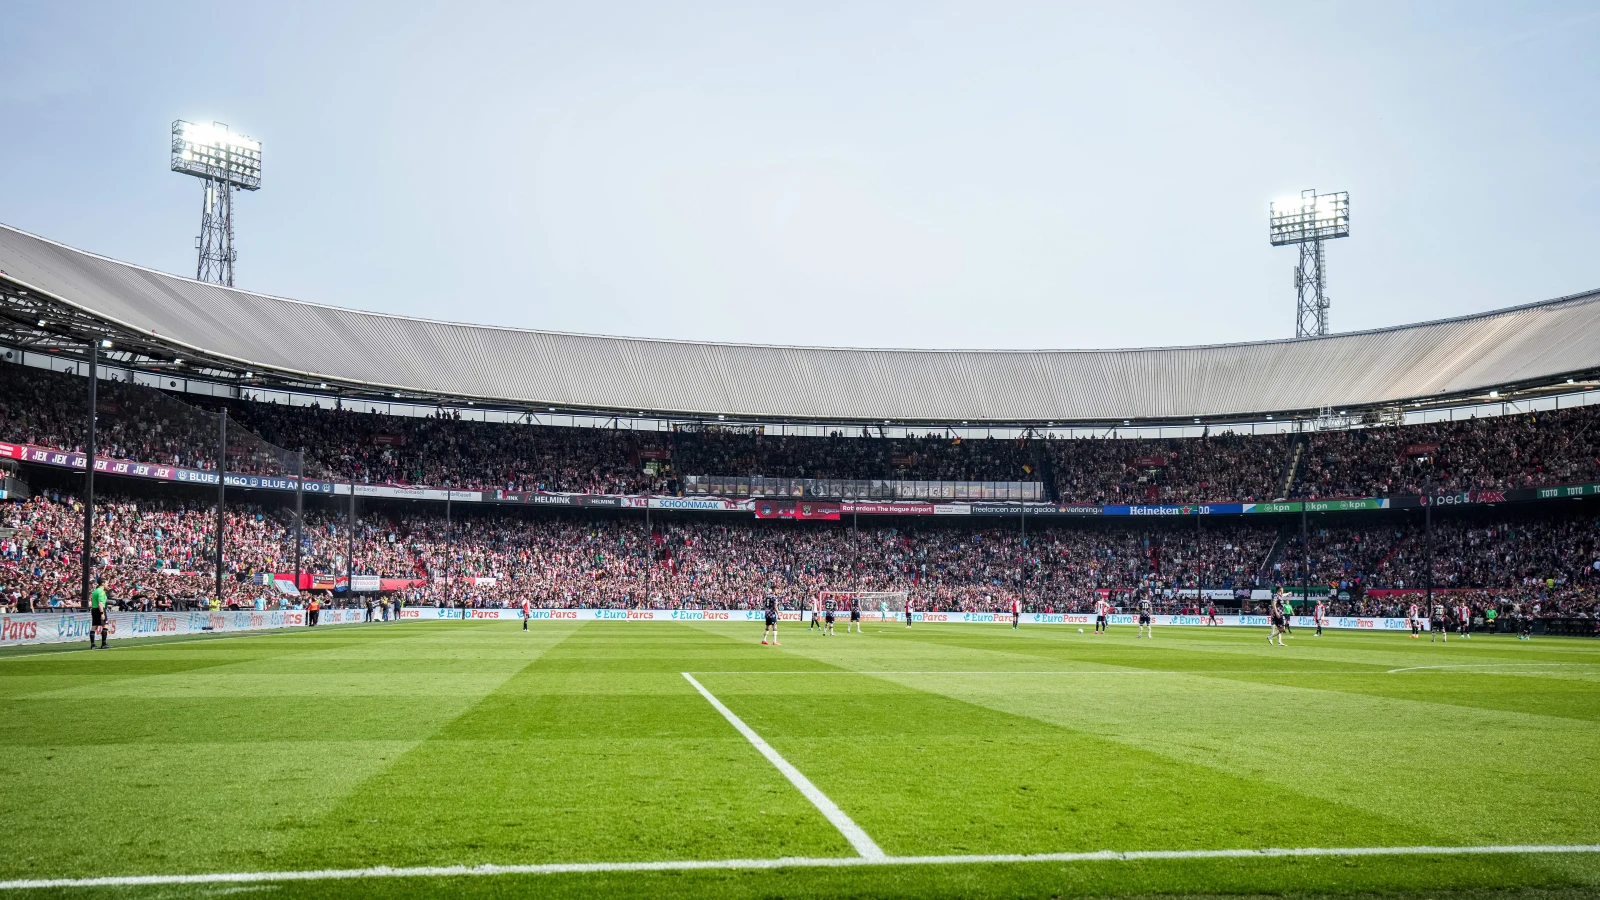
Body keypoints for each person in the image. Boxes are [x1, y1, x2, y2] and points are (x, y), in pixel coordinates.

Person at [88, 578, 109, 650]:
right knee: (105, 625)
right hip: (100, 609)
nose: (107, 584)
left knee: (94, 626)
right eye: (106, 583)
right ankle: (104, 643)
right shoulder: (101, 592)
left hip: (94, 609)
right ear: (103, 583)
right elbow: (100, 603)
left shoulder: (95, 591)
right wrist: (102, 613)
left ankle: (93, 645)